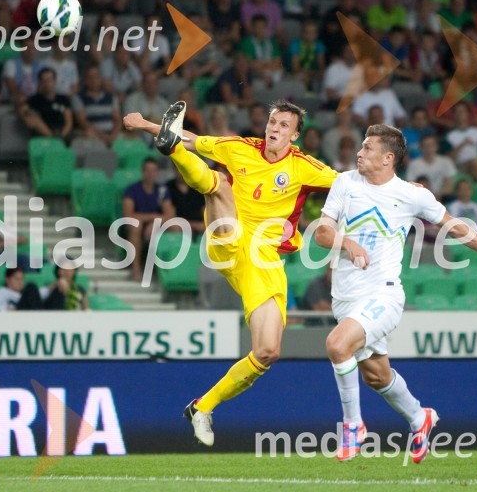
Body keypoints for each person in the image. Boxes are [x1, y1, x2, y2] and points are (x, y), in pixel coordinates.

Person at [123, 99, 339, 447]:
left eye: (284, 125)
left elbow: (350, 184)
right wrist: (147, 124)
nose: (275, 128)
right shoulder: (239, 148)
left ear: (295, 135)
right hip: (227, 239)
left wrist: (401, 190)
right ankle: (171, 152)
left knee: (267, 352)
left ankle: (201, 407)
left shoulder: (305, 167)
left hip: (264, 261)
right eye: (272, 121)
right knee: (220, 185)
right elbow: (191, 138)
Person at [314, 124, 477, 463]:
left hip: (383, 294)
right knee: (376, 375)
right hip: (346, 296)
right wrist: (348, 242)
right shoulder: (345, 182)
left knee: (337, 344)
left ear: (388, 158)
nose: (359, 152)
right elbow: (323, 234)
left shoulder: (413, 195)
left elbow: (455, 226)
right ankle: (419, 417)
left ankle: (353, 427)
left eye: (368, 148)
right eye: (361, 146)